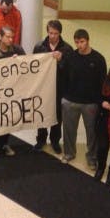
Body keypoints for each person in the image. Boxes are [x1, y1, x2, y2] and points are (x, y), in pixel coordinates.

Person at [59, 29, 107, 169]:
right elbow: (64, 76)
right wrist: (64, 97)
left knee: (92, 132)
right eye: (77, 42)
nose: (79, 45)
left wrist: (100, 101)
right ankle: (69, 153)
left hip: (90, 103)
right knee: (68, 130)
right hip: (71, 100)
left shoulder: (98, 59)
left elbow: (102, 81)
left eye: (82, 42)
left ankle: (92, 157)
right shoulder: (71, 57)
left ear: (87, 40)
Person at [0, 26, 27, 157]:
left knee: (8, 118)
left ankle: (5, 143)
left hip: (12, 91)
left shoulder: (17, 50)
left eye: (12, 37)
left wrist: (18, 61)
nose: (10, 39)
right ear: (0, 37)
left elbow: (26, 64)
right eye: (7, 36)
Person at [33, 20, 71, 153]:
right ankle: (41, 139)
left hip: (59, 88)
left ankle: (55, 141)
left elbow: (70, 71)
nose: (52, 36)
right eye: (50, 33)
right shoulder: (39, 47)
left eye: (55, 33)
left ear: (60, 33)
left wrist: (61, 61)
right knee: (41, 113)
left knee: (57, 116)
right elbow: (33, 67)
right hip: (43, 87)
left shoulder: (67, 49)